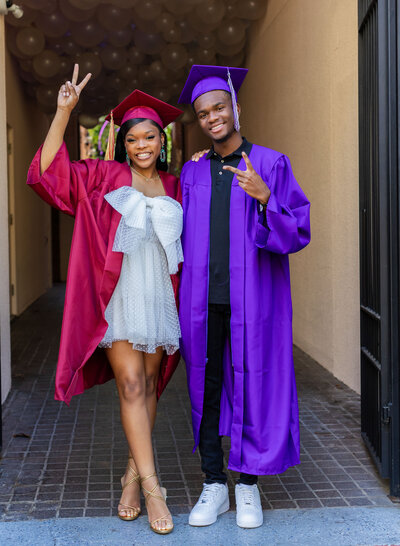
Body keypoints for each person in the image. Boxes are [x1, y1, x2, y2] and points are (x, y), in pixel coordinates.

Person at [27, 64, 184, 535]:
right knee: (132, 385)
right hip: (117, 298)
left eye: (149, 138)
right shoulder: (103, 176)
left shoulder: (176, 186)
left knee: (152, 382)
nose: (141, 147)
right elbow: (50, 175)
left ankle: (132, 478)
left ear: (162, 142)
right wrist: (63, 112)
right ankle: (155, 487)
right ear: (123, 142)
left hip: (160, 296)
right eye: (133, 139)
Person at [178, 65, 311, 529]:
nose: (212, 117)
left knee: (253, 386)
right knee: (208, 391)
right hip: (203, 303)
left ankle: (249, 486)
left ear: (236, 108)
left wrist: (265, 196)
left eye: (218, 107)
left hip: (255, 304)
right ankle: (214, 484)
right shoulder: (192, 172)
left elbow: (298, 232)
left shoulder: (270, 163)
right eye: (203, 112)